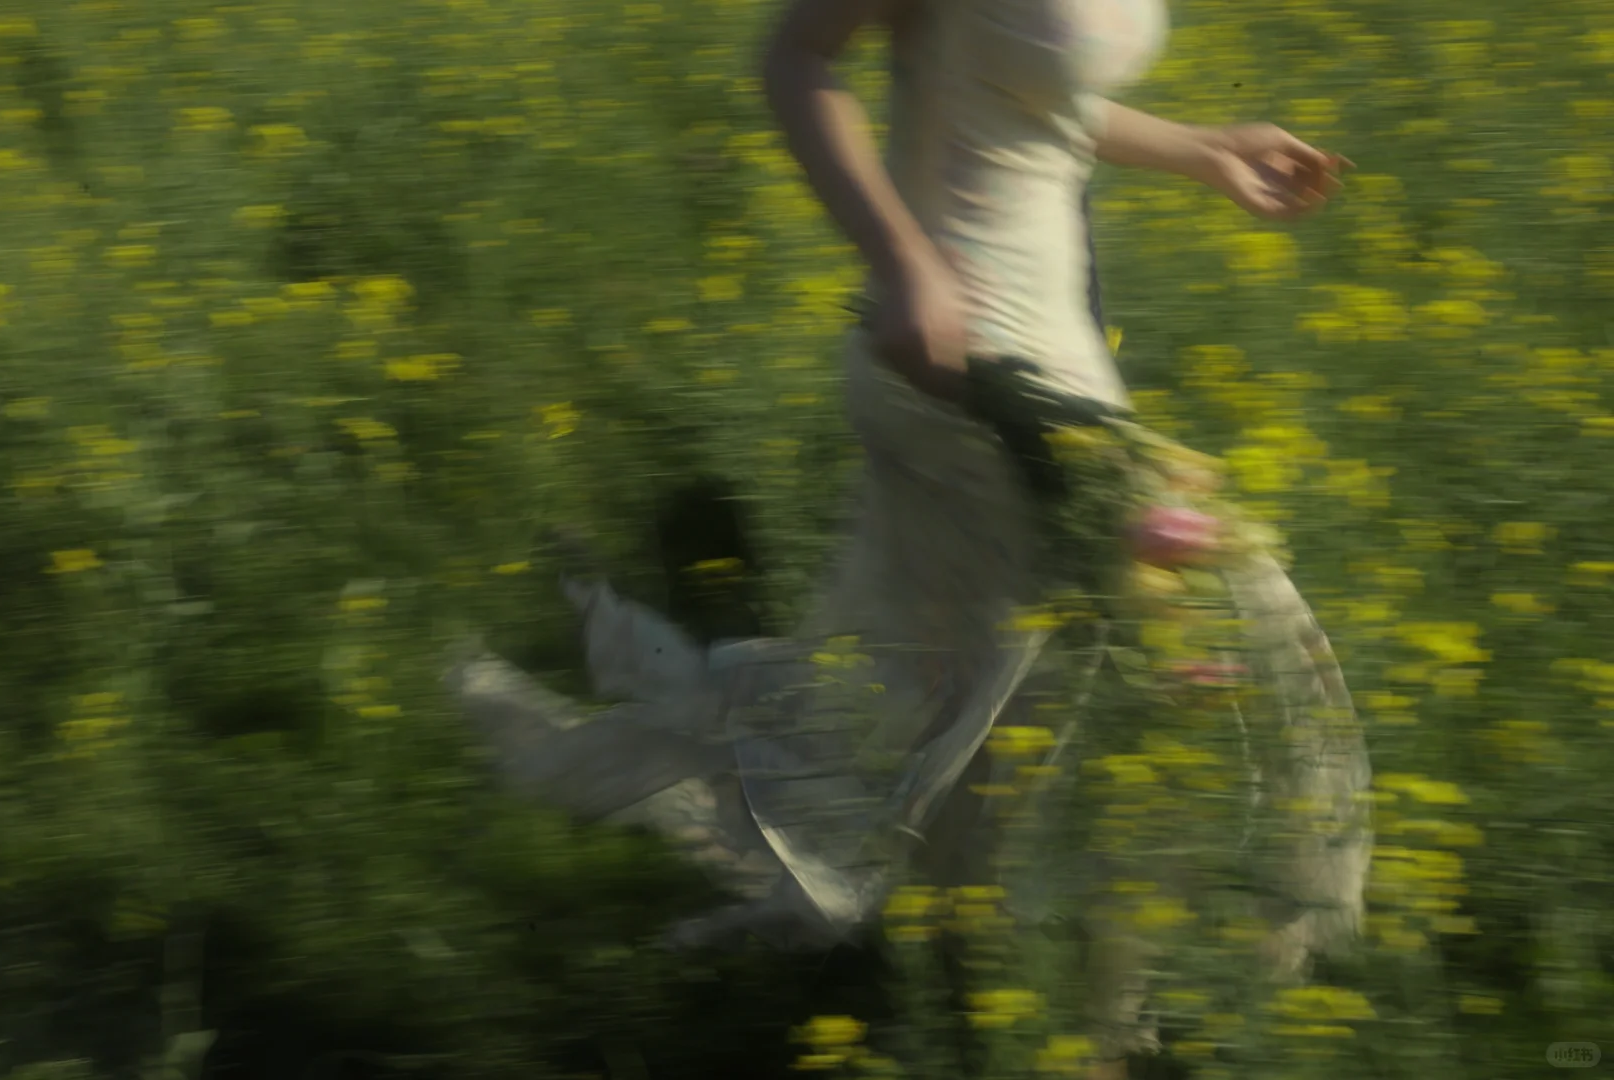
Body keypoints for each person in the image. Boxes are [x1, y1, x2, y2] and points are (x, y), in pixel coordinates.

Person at [449, 0, 1372, 1072]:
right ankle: (1094, 1027)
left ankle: (1003, 975)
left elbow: (1038, 96)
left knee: (1011, 697)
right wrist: (901, 261)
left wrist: (1206, 148)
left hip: (1054, 358)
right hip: (955, 369)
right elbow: (797, 55)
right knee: (1211, 646)